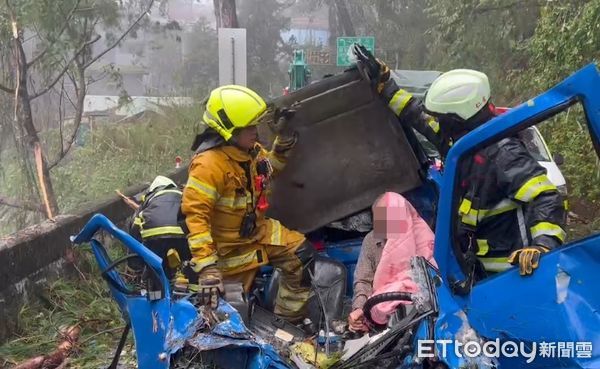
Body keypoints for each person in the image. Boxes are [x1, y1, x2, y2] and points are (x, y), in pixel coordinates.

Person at [357, 46, 566, 276]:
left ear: (459, 119)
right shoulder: (461, 142)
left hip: (512, 277)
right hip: (474, 273)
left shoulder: (504, 153)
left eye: (443, 119)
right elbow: (416, 114)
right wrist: (385, 86)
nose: (437, 123)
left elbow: (546, 196)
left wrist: (543, 246)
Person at [180, 85, 316, 321]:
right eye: (249, 127)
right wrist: (207, 267)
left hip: (257, 232)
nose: (256, 131)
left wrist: (282, 141)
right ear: (228, 131)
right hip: (227, 246)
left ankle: (286, 323)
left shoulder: (250, 152)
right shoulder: (209, 165)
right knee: (231, 313)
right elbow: (196, 217)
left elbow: (271, 169)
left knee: (302, 257)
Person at [348, 192, 436, 332]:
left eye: (393, 217)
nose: (387, 223)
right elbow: (363, 280)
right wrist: (359, 309)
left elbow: (436, 277)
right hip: (383, 318)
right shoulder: (371, 241)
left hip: (423, 312)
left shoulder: (422, 238)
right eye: (381, 218)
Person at [129, 175, 193, 284]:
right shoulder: (181, 195)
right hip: (182, 235)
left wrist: (134, 263)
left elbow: (135, 227)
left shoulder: (150, 198)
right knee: (188, 262)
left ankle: (156, 287)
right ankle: (185, 278)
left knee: (154, 265)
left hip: (155, 237)